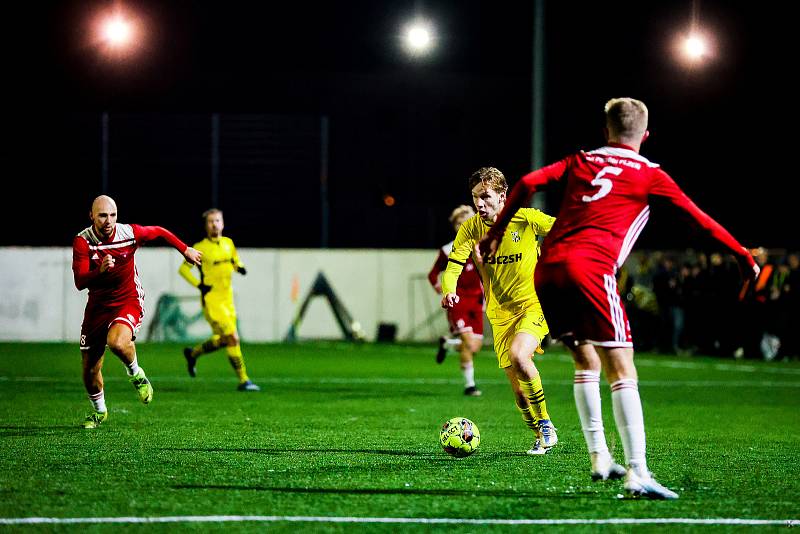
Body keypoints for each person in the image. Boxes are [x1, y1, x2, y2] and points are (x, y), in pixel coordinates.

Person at [479, 97, 759, 499]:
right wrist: (743, 254)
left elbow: (526, 184)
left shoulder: (581, 160)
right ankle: (638, 471)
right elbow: (699, 219)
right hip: (591, 269)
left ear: (605, 131)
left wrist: (492, 233)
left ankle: (599, 457)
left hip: (549, 270)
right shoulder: (649, 173)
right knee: (623, 368)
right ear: (645, 135)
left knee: (585, 359)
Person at [442, 167, 558, 454]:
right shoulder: (471, 229)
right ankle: (538, 432)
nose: (479, 204)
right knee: (519, 395)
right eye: (474, 197)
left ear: (503, 196)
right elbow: (453, 264)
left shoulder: (526, 218)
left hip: (533, 305)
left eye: (485, 196)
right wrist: (449, 289)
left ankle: (546, 425)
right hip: (499, 315)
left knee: (521, 355)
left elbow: (566, 229)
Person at [73, 195, 202, 429]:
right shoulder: (83, 242)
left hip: (127, 300)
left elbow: (160, 231)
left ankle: (136, 373)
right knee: (90, 371)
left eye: (112, 215)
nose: (108, 221)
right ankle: (100, 412)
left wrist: (185, 250)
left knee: (118, 343)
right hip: (97, 308)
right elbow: (80, 281)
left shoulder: (129, 233)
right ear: (91, 216)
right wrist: (100, 271)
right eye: (102, 215)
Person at [179, 209, 260, 391]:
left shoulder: (228, 243)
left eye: (217, 220)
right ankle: (244, 380)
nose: (214, 224)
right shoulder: (200, 248)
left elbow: (235, 261)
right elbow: (183, 270)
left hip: (228, 299)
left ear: (222, 223)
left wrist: (240, 267)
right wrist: (199, 285)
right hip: (212, 301)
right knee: (233, 337)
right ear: (206, 225)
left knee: (225, 339)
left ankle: (193, 353)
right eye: (211, 221)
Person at [428, 205, 484, 396]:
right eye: (460, 223)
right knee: (468, 342)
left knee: (474, 347)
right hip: (458, 301)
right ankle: (470, 386)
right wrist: (442, 290)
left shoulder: (481, 245)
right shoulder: (448, 249)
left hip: (477, 301)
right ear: (455, 227)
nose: (464, 226)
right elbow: (433, 274)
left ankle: (447, 344)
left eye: (468, 222)